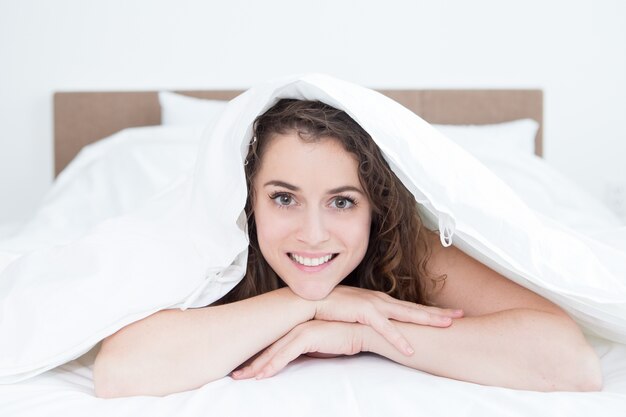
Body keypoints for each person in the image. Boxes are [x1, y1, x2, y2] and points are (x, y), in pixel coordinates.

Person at [93, 99, 602, 398]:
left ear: (375, 207)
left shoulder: (408, 250)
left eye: (341, 201)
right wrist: (312, 302)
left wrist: (362, 335)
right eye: (284, 198)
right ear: (248, 201)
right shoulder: (220, 246)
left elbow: (570, 363)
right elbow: (120, 372)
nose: (313, 234)